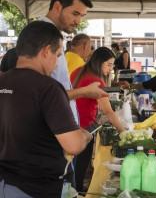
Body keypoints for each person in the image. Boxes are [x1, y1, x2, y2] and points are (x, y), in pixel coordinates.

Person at [0, 21, 93, 198]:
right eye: (58, 55)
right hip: (37, 189)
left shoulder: (3, 81)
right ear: (45, 51)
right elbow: (73, 145)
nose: (57, 64)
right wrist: (85, 135)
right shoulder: (48, 87)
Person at [41, 0, 108, 126]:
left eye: (81, 16)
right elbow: (42, 96)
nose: (78, 21)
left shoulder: (53, 36)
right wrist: (84, 91)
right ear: (57, 7)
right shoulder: (44, 36)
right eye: (75, 14)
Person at [70, 47, 126, 192]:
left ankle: (73, 191)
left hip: (72, 126)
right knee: (80, 168)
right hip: (85, 128)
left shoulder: (79, 71)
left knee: (73, 168)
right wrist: (124, 132)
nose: (111, 68)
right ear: (99, 62)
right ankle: (79, 192)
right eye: (108, 64)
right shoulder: (95, 81)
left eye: (112, 65)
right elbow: (108, 111)